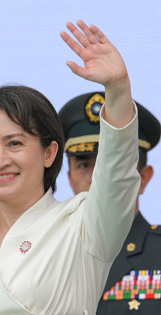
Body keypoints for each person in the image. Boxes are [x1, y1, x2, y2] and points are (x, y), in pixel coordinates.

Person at [0, 20, 141, 314]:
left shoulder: (83, 225)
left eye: (14, 143)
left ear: (49, 153)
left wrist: (117, 89)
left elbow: (117, 173)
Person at [59, 92, 161, 314]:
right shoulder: (48, 255)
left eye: (115, 166)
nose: (98, 177)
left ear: (143, 178)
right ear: (69, 177)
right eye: (84, 165)